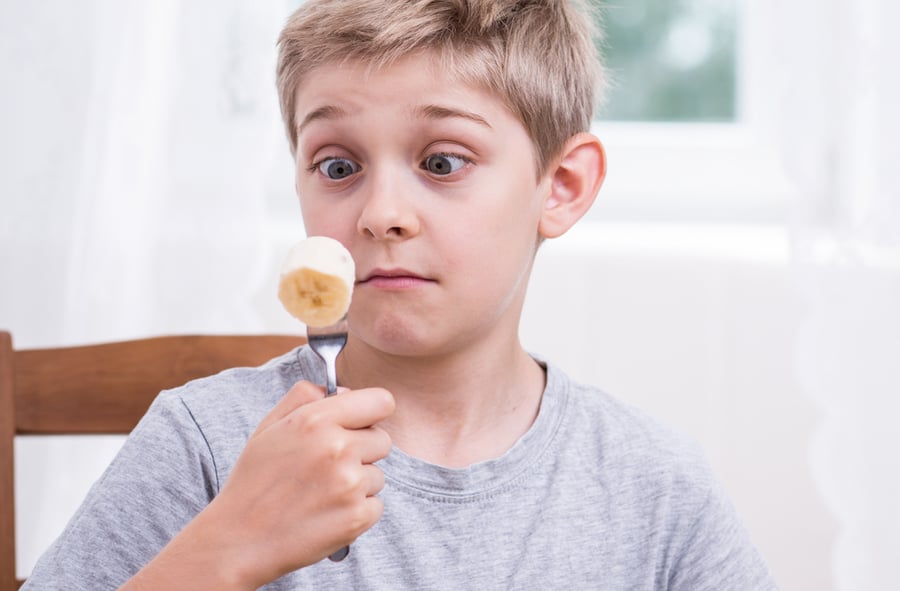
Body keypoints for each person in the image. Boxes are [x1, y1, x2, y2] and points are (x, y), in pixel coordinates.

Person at [23, 0, 778, 589]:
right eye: (338, 166)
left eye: (443, 162)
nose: (381, 212)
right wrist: (225, 548)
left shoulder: (652, 487)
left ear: (562, 187)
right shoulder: (206, 446)